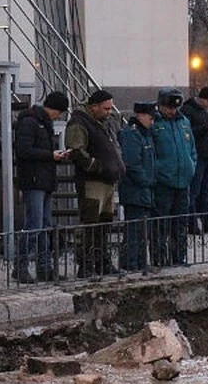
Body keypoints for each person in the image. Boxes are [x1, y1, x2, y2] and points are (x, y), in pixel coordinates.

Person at [64, 89, 125, 278]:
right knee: (90, 223)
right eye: (106, 108)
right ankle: (87, 264)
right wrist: (95, 165)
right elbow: (75, 150)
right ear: (94, 106)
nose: (109, 112)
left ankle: (101, 261)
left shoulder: (104, 123)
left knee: (105, 224)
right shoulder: (80, 122)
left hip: (107, 181)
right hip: (92, 182)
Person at [13, 91, 71, 283]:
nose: (60, 117)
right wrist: (50, 155)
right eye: (60, 113)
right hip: (34, 180)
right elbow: (23, 150)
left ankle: (44, 267)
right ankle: (20, 266)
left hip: (44, 179)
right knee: (34, 225)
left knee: (45, 225)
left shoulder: (43, 123)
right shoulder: (31, 122)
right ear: (55, 109)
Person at [151, 87, 196, 266]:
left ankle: (179, 257)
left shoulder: (184, 121)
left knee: (180, 224)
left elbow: (191, 148)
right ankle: (159, 259)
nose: (172, 111)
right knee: (161, 224)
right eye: (169, 108)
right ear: (160, 106)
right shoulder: (155, 123)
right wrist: (158, 173)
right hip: (163, 182)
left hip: (183, 181)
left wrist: (191, 167)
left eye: (175, 108)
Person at [118, 102, 157, 271]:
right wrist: (146, 182)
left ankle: (140, 262)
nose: (153, 122)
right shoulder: (133, 134)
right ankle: (131, 262)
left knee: (143, 230)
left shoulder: (145, 134)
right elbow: (132, 164)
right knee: (134, 229)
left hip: (144, 189)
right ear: (141, 115)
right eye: (151, 118)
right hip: (135, 189)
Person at [180, 86, 208, 234]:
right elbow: (189, 134)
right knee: (194, 192)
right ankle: (192, 223)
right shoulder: (188, 111)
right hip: (199, 156)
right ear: (203, 99)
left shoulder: (202, 112)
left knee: (205, 192)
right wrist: (206, 128)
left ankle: (207, 223)